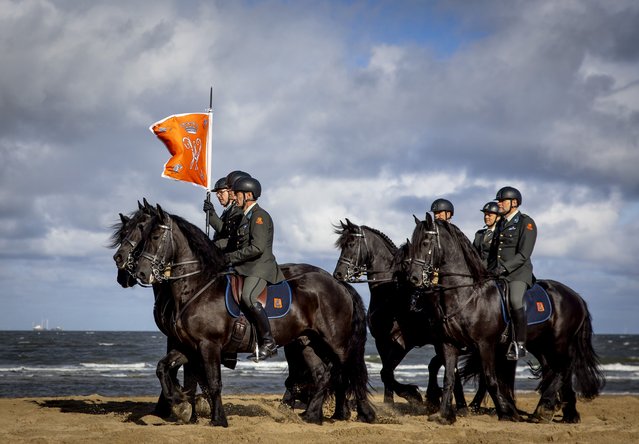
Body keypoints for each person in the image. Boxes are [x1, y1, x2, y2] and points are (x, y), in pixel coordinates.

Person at [224, 176, 285, 361]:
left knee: (248, 296)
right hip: (245, 266)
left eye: (238, 194)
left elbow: (257, 248)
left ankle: (269, 342)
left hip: (259, 267)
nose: (235, 197)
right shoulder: (245, 217)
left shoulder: (259, 216)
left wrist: (230, 257)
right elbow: (235, 242)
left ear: (249, 195)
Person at [487, 186, 537, 360]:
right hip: (498, 273)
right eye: (499, 201)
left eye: (502, 201)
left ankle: (520, 344)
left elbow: (524, 254)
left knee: (515, 300)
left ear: (514, 203)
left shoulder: (526, 222)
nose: (499, 204)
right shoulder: (500, 223)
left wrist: (504, 268)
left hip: (518, 273)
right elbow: (494, 251)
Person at [203, 171, 250, 252]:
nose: (218, 196)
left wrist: (211, 214)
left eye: (221, 192)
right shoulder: (228, 211)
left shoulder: (238, 209)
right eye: (217, 194)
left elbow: (226, 233)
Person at [473, 202, 500, 267]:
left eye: (489, 215)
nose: (486, 217)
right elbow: (473, 253)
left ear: (498, 217)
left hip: (494, 270)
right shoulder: (479, 234)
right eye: (485, 215)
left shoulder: (500, 233)